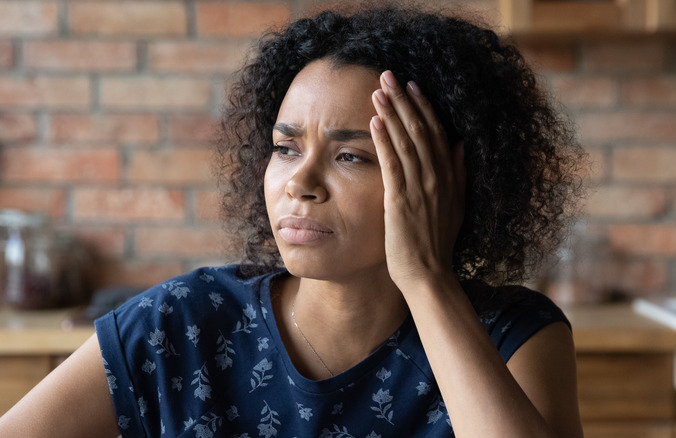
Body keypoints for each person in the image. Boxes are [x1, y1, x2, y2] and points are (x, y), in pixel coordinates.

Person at [0, 3, 585, 437]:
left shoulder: (515, 338)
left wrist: (427, 279)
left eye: (351, 156)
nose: (300, 183)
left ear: (447, 179)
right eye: (285, 149)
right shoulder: (179, 323)